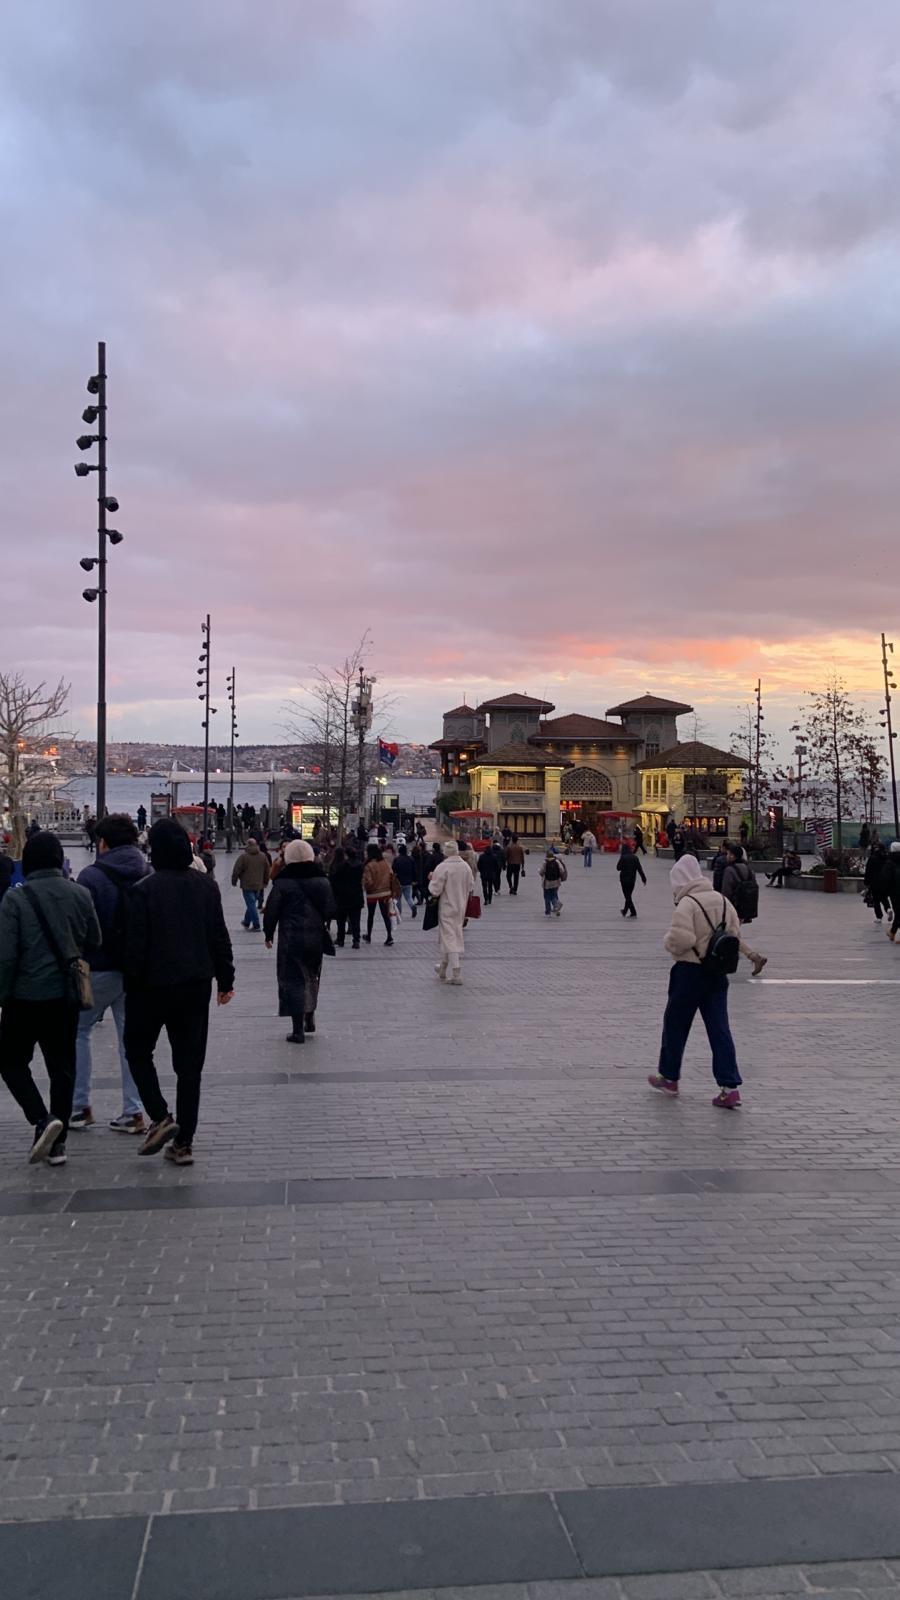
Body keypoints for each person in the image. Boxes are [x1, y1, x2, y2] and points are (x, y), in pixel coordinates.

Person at [123, 819, 234, 1165]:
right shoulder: (206, 887)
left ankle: (160, 1116)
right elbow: (219, 936)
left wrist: (130, 986)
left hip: (151, 988)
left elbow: (134, 947)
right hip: (195, 986)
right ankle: (184, 1143)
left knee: (137, 1051)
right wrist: (226, 980)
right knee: (189, 1067)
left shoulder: (143, 890)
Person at [0, 831, 101, 1166]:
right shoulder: (80, 894)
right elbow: (94, 940)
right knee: (62, 1069)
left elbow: (6, 956)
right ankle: (58, 1144)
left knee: (11, 1062)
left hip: (23, 998)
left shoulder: (15, 899)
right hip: (65, 997)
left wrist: (2, 994)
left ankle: (42, 1119)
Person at [72, 813, 151, 1135]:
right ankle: (133, 1111)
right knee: (130, 1041)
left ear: (102, 843)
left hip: (100, 967)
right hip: (138, 971)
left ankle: (79, 1106)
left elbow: (81, 926)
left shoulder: (91, 876)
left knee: (79, 1031)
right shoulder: (148, 872)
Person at [648, 854, 743, 1109]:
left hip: (689, 973)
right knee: (719, 1028)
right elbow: (734, 934)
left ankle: (669, 1077)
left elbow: (683, 940)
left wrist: (668, 942)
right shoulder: (723, 900)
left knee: (675, 1025)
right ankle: (729, 1088)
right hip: (717, 974)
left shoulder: (687, 905)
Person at [263, 839, 336, 1041]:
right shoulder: (322, 881)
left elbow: (271, 911)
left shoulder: (283, 883)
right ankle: (309, 1017)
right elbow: (331, 909)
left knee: (294, 980)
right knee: (312, 976)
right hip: (315, 938)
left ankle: (298, 1030)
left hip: (291, 938)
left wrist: (268, 934)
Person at [428, 839, 473, 984]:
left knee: (449, 937)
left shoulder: (443, 867)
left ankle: (456, 972)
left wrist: (431, 879)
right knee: (452, 935)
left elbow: (435, 890)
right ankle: (442, 968)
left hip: (447, 906)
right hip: (461, 906)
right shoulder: (465, 866)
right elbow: (471, 886)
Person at [722, 844, 767, 976]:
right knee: (734, 932)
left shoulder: (729, 870)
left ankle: (754, 957)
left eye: (728, 854)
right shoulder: (748, 869)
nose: (727, 856)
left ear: (733, 856)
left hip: (732, 907)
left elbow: (726, 890)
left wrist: (723, 907)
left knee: (731, 934)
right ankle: (739, 954)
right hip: (745, 907)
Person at [231, 837, 270, 930]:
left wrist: (234, 881)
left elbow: (236, 870)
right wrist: (265, 881)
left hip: (247, 884)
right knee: (251, 903)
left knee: (251, 904)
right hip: (259, 884)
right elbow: (267, 870)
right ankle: (246, 922)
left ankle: (256, 924)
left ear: (247, 845)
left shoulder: (243, 857)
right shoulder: (263, 856)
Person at [331, 846, 364, 948]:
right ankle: (356, 940)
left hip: (343, 897)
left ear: (346, 854)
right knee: (355, 920)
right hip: (356, 896)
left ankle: (340, 940)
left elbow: (335, 880)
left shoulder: (341, 866)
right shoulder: (360, 865)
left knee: (341, 920)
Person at [362, 843, 394, 945]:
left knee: (371, 915)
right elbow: (391, 875)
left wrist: (366, 887)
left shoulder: (369, 865)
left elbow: (368, 881)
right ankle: (389, 936)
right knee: (385, 915)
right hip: (385, 893)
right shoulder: (385, 863)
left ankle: (369, 936)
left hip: (372, 894)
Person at [616, 842, 647, 917]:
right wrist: (643, 878)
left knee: (627, 896)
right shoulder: (635, 858)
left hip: (624, 880)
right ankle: (625, 911)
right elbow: (639, 869)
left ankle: (633, 911)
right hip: (632, 880)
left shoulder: (623, 857)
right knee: (628, 895)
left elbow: (618, 868)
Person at [864, 841, 889, 923]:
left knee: (876, 900)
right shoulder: (886, 858)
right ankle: (888, 909)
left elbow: (868, 871)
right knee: (884, 898)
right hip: (884, 882)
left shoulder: (872, 858)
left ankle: (879, 917)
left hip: (874, 882)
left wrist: (866, 882)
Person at [392, 842, 418, 919]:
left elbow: (393, 870)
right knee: (408, 897)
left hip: (399, 882)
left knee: (398, 898)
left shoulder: (397, 859)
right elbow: (414, 870)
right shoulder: (411, 859)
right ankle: (412, 906)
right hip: (408, 882)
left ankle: (399, 913)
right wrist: (415, 880)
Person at [540, 848, 566, 915]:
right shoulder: (557, 861)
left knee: (547, 896)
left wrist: (540, 872)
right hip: (556, 882)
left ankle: (548, 910)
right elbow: (562, 870)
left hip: (547, 882)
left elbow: (541, 872)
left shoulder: (545, 862)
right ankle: (556, 908)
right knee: (554, 895)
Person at [883, 842, 900, 943]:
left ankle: (892, 932)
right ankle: (892, 932)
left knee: (898, 912)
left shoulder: (890, 862)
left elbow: (885, 878)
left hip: (895, 892)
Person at [477, 842, 497, 906]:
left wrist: (481, 871)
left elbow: (478, 865)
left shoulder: (482, 856)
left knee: (484, 887)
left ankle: (486, 899)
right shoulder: (494, 856)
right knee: (490, 887)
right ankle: (490, 899)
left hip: (484, 874)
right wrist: (494, 871)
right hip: (491, 874)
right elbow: (496, 866)